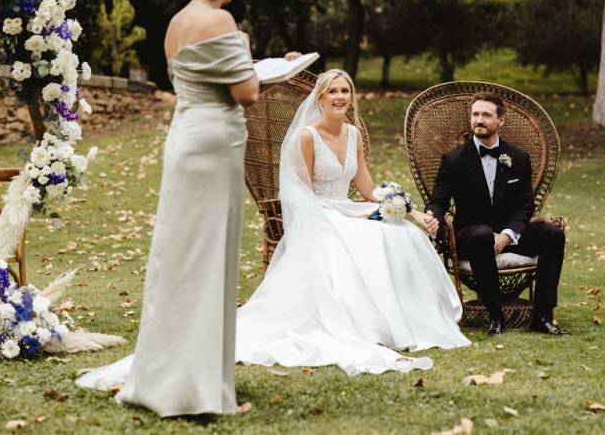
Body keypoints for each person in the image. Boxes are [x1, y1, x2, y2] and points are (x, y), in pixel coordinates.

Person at [76, 0, 259, 416]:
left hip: (186, 138)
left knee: (180, 257)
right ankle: (197, 389)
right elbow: (246, 93)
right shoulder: (222, 22)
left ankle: (169, 376)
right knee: (209, 258)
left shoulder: (177, 22)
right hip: (216, 143)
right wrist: (245, 51)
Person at [236, 69, 470, 376]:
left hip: (347, 206)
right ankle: (364, 325)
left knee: (403, 234)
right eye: (332, 91)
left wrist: (410, 210)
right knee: (356, 236)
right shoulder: (307, 137)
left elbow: (368, 190)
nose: (339, 97)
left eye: (344, 91)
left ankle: (407, 320)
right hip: (318, 211)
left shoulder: (353, 134)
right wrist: (347, 214)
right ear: (320, 98)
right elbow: (301, 194)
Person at [423, 92, 568, 336]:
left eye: (486, 115)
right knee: (481, 235)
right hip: (471, 234)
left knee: (553, 235)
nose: (479, 120)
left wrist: (507, 235)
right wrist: (432, 217)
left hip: (508, 232)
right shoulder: (454, 160)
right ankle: (495, 315)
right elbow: (438, 201)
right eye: (475, 114)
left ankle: (542, 316)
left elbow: (525, 204)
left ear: (501, 120)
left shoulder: (518, 158)